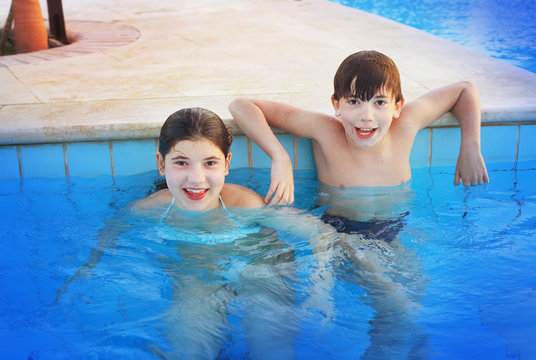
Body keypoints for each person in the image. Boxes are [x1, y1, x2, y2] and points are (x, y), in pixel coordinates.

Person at [57, 107, 337, 359]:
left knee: (272, 349)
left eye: (210, 163)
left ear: (227, 163)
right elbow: (109, 236)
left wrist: (320, 289)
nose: (196, 179)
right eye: (181, 163)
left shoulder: (247, 206)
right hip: (196, 272)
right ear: (161, 163)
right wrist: (85, 273)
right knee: (190, 348)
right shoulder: (146, 209)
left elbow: (321, 234)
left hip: (259, 266)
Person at [229, 50, 489, 206]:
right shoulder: (325, 131)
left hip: (394, 228)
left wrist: (470, 147)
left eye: (379, 103)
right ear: (336, 104)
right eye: (354, 101)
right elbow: (241, 105)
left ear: (397, 106)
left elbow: (465, 89)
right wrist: (279, 156)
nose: (367, 116)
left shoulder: (405, 123)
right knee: (389, 292)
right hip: (338, 231)